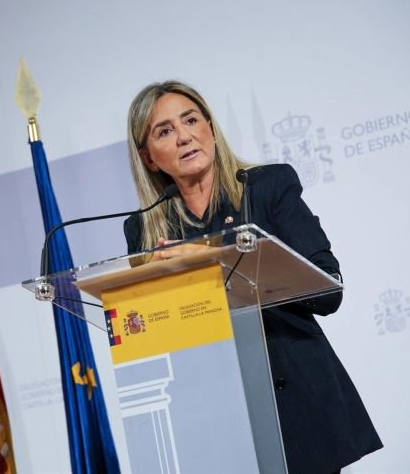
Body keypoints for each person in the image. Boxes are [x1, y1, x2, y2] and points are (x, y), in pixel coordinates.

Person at [123, 80, 382, 474]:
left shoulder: (267, 188)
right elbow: (153, 340)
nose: (184, 136)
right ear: (149, 158)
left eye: (190, 120)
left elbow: (327, 289)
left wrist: (217, 262)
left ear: (210, 128)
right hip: (213, 415)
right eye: (164, 131)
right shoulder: (144, 230)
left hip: (295, 398)